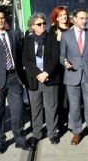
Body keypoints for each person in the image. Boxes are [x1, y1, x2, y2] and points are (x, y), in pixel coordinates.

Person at [0, 9, 32, 153]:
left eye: (2, 18)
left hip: (15, 78)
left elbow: (21, 55)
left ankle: (20, 139)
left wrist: (23, 77)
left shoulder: (14, 35)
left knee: (18, 110)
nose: (0, 21)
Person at [60, 8, 88, 147]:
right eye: (81, 18)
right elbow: (62, 55)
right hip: (72, 75)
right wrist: (65, 63)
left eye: (86, 18)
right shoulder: (66, 35)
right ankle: (77, 132)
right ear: (74, 19)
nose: (84, 21)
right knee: (74, 106)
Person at [22, 13, 61, 148]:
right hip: (34, 79)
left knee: (51, 107)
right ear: (32, 26)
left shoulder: (52, 38)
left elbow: (55, 58)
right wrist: (38, 74)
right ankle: (36, 134)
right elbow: (26, 60)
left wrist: (46, 73)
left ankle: (52, 133)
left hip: (50, 78)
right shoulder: (27, 40)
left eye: (44, 23)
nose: (43, 25)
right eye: (39, 24)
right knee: (36, 108)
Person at [49, 6, 73, 131]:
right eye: (60, 15)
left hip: (71, 66)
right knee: (59, 96)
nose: (64, 17)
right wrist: (57, 40)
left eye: (65, 14)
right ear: (56, 18)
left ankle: (71, 122)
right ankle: (60, 122)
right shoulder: (52, 30)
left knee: (71, 97)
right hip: (58, 68)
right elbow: (51, 50)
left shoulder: (73, 27)